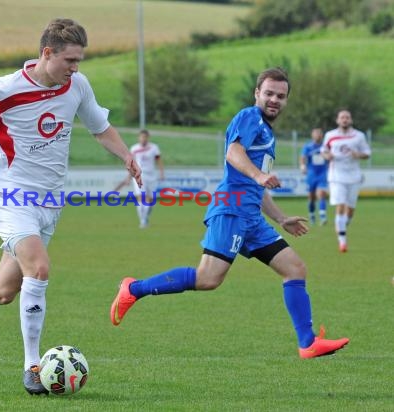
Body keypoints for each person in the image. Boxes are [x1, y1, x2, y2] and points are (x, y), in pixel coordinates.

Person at [0, 18, 141, 395]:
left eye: (79, 60)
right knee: (40, 267)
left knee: (4, 291)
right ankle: (32, 366)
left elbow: (99, 128)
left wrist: (126, 155)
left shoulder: (76, 85)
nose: (76, 68)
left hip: (50, 201)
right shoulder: (4, 88)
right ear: (47, 53)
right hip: (10, 195)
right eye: (70, 60)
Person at [110, 67, 350, 359]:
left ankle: (307, 343)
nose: (275, 99)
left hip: (251, 216)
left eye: (281, 96)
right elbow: (233, 154)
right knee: (208, 279)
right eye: (269, 93)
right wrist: (259, 175)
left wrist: (281, 218)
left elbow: (257, 188)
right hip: (231, 209)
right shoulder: (250, 117)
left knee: (295, 269)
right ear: (257, 94)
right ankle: (134, 288)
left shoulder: (267, 132)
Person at [321, 109, 371, 253]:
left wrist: (358, 154)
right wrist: (327, 156)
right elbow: (323, 151)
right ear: (337, 120)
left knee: (350, 210)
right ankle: (342, 241)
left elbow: (367, 154)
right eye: (342, 117)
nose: (345, 120)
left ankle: (342, 226)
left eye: (347, 117)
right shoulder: (330, 135)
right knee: (340, 205)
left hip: (354, 176)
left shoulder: (359, 136)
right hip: (336, 176)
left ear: (351, 120)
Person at [114, 129, 165, 228]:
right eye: (141, 137)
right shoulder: (134, 148)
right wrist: (129, 177)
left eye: (145, 137)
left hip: (152, 176)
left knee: (151, 201)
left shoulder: (154, 148)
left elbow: (159, 161)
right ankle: (142, 221)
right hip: (139, 175)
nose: (143, 139)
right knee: (141, 198)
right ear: (139, 137)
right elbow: (131, 164)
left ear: (148, 137)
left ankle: (145, 217)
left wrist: (162, 173)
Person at [299, 127, 328, 225]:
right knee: (311, 197)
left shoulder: (325, 146)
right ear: (312, 135)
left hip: (322, 173)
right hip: (311, 174)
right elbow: (303, 157)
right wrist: (303, 166)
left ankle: (323, 216)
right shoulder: (308, 146)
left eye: (319, 133)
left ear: (322, 135)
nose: (318, 135)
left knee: (322, 194)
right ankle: (311, 214)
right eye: (316, 133)